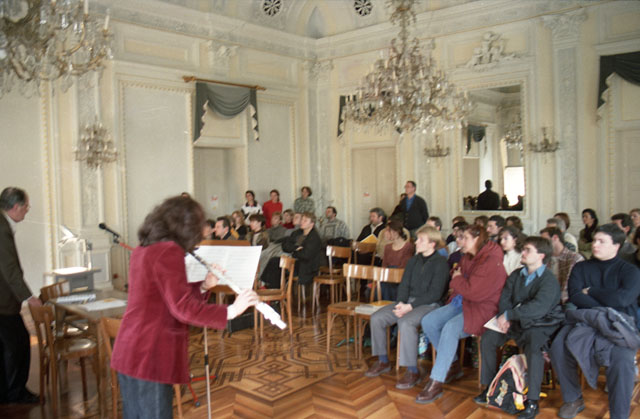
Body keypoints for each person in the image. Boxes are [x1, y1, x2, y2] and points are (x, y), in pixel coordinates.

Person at [111, 195, 259, 418]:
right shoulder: (168, 251)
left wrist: (204, 286)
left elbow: (164, 297)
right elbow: (182, 308)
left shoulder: (144, 249)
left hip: (131, 351)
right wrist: (232, 310)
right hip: (150, 354)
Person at [550, 223, 640, 419]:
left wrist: (591, 291)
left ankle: (619, 414)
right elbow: (575, 296)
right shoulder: (581, 267)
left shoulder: (630, 271)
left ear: (616, 245)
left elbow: (623, 299)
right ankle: (573, 398)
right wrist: (605, 302)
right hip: (584, 319)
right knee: (558, 347)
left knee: (623, 359)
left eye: (601, 241)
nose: (595, 245)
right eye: (594, 240)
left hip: (617, 323)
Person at [416, 224, 506, 404]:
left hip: (483, 309)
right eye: (459, 237)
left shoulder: (491, 261)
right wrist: (459, 279)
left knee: (450, 329)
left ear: (477, 239)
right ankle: (453, 364)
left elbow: (472, 290)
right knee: (429, 321)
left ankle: (436, 381)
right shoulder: (468, 256)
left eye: (464, 238)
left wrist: (458, 279)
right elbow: (457, 275)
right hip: (463, 301)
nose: (459, 241)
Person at [475, 237, 563, 419]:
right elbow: (505, 298)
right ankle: (491, 387)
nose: (523, 253)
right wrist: (504, 316)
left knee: (534, 349)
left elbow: (538, 308)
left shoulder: (549, 280)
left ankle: (532, 402)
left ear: (541, 255)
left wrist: (509, 315)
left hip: (539, 324)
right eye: (523, 249)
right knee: (488, 338)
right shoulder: (516, 275)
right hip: (515, 322)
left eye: (527, 250)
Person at [364, 226, 449, 390]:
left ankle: (412, 371)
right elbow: (404, 285)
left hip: (430, 305)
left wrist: (409, 306)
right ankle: (383, 361)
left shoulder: (440, 263)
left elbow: (435, 293)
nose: (416, 242)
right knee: (377, 318)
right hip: (407, 302)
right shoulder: (413, 261)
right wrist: (401, 303)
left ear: (432, 243)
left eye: (421, 240)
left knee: (406, 323)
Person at [0, 187, 41, 404]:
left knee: (8, 346)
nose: (27, 210)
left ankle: (6, 391)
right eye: (26, 206)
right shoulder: (1, 228)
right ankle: (15, 393)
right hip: (3, 302)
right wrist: (29, 297)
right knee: (19, 343)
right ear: (15, 207)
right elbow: (10, 269)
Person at [540, 226, 584, 305]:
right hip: (546, 299)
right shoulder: (544, 258)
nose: (542, 244)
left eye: (545, 240)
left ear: (555, 238)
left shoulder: (574, 258)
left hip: (566, 301)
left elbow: (568, 287)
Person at [379, 220, 415, 301]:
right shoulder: (387, 247)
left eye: (387, 231)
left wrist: (391, 273)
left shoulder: (408, 247)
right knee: (383, 284)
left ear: (395, 232)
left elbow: (405, 266)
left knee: (386, 285)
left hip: (401, 278)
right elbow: (384, 265)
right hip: (388, 277)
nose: (385, 233)